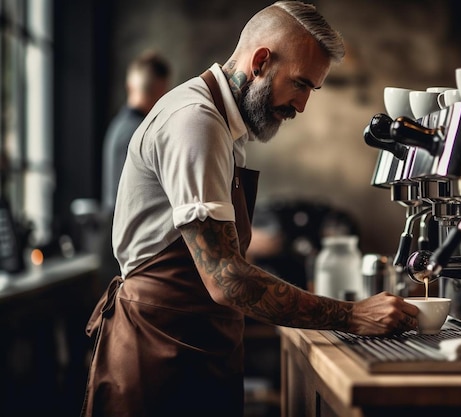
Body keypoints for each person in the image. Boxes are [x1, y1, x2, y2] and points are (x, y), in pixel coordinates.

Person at [81, 2, 419, 417]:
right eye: (300, 84)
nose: (301, 105)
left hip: (195, 349)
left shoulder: (223, 125)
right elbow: (226, 279)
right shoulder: (196, 122)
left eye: (311, 89)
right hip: (159, 358)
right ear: (261, 61)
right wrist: (351, 315)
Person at [98, 50, 171, 289]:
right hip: (126, 236)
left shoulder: (120, 126)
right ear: (160, 88)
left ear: (131, 85)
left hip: (114, 229)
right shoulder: (141, 132)